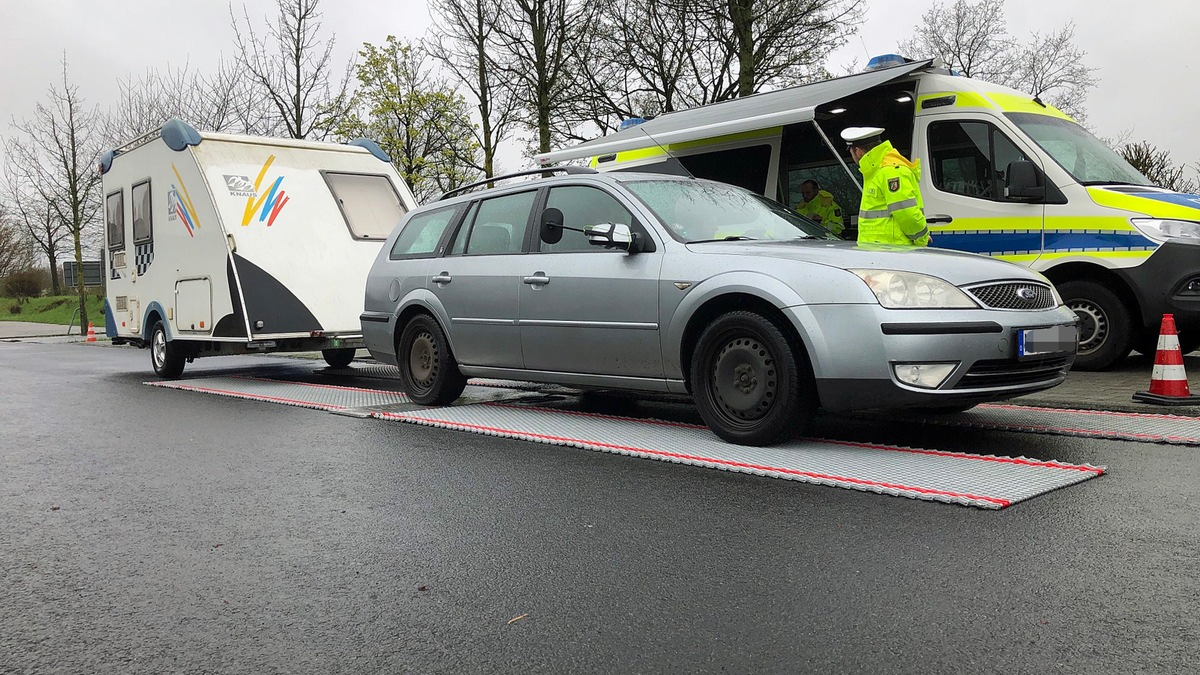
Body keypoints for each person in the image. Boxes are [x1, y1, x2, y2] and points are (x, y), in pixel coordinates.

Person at [841, 126, 930, 246]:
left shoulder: (890, 171)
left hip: (892, 251)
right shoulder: (877, 170)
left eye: (851, 152)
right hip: (883, 250)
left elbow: (907, 214)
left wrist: (922, 238)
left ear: (858, 151)